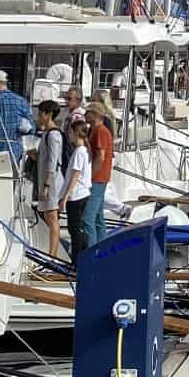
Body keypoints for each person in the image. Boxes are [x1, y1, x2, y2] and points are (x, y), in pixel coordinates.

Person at [33, 100, 64, 261]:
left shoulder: (54, 135)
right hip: (46, 180)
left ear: (49, 115)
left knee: (52, 217)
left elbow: (53, 161)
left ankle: (53, 255)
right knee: (47, 215)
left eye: (40, 114)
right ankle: (51, 253)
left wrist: (46, 185)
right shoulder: (46, 133)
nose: (38, 117)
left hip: (51, 182)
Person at [61, 115, 93, 264]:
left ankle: (77, 261)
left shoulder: (80, 151)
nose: (68, 135)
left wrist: (65, 197)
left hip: (77, 195)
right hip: (83, 194)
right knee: (76, 228)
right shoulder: (83, 150)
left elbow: (75, 175)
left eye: (70, 132)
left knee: (74, 230)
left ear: (75, 133)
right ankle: (82, 258)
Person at [83, 98, 115, 246]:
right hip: (101, 178)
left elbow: (100, 157)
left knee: (87, 219)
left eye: (87, 112)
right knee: (98, 218)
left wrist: (90, 177)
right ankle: (101, 246)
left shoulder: (100, 132)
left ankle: (91, 250)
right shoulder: (97, 131)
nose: (84, 114)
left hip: (97, 179)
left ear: (94, 114)